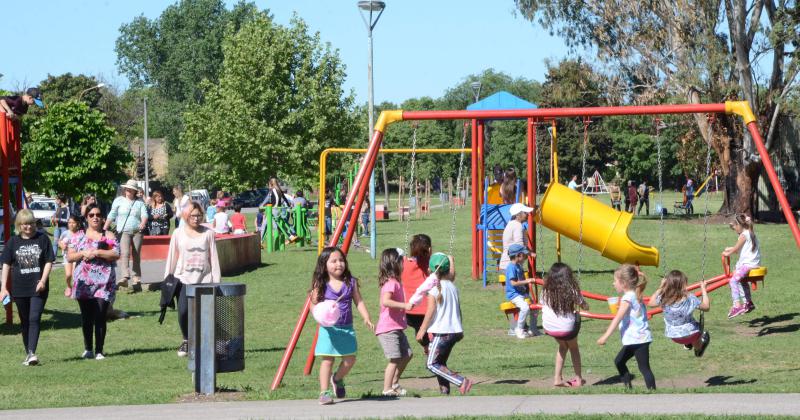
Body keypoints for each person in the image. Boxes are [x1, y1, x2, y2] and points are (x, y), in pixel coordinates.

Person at [310, 247, 374, 405]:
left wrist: (366, 317)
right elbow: (313, 304)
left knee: (350, 359)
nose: (339, 264)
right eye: (333, 261)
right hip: (328, 329)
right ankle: (324, 393)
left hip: (346, 327)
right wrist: (320, 314)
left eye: (341, 260)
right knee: (327, 360)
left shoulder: (350, 282)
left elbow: (358, 301)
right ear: (324, 265)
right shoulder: (321, 283)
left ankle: (337, 379)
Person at [164, 202, 221, 357]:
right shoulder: (178, 233)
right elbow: (172, 256)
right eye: (193, 215)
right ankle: (186, 340)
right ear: (186, 216)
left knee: (205, 314)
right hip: (183, 279)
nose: (196, 219)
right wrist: (167, 280)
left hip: (204, 280)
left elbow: (213, 258)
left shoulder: (208, 233)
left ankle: (206, 343)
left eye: (198, 215)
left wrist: (216, 280)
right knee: (183, 311)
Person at [0, 209, 55, 365]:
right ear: (19, 225)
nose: (28, 227)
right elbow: (6, 264)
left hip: (38, 287)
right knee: (25, 321)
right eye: (24, 224)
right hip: (19, 288)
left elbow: (49, 261)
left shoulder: (43, 239)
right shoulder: (13, 242)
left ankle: (32, 352)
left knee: (34, 318)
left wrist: (43, 281)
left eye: (30, 223)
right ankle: (28, 354)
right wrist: (4, 287)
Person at [67, 204, 119, 360]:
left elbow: (116, 254)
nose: (95, 217)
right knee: (87, 317)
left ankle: (99, 351)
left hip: (104, 282)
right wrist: (83, 252)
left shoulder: (109, 235)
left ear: (102, 217)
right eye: (91, 215)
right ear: (86, 218)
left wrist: (97, 252)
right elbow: (70, 257)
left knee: (101, 314)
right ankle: (88, 348)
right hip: (84, 282)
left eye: (98, 214)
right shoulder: (78, 237)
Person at [416, 253, 473, 395]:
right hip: (454, 332)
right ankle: (445, 391)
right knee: (440, 363)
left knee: (431, 364)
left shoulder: (434, 290)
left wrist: (422, 330)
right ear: (448, 270)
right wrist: (452, 260)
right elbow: (458, 308)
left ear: (430, 271)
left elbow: (430, 312)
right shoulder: (453, 287)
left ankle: (461, 381)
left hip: (442, 332)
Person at [597, 264, 656, 390]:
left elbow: (617, 318)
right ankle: (628, 389)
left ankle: (653, 394)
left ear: (623, 283)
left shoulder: (628, 297)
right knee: (619, 361)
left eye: (615, 281)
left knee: (644, 368)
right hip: (637, 339)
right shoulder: (635, 294)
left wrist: (605, 336)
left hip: (638, 339)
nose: (613, 284)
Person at [541, 262, 589, 387]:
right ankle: (578, 379)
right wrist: (585, 305)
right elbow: (584, 305)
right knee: (573, 348)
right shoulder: (571, 290)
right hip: (567, 328)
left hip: (549, 327)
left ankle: (557, 378)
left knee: (563, 347)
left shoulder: (545, 290)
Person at [375, 248, 413, 397]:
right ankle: (387, 389)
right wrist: (405, 306)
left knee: (407, 354)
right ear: (394, 264)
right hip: (388, 329)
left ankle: (395, 383)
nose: (404, 264)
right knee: (395, 359)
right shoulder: (391, 283)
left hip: (396, 328)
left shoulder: (396, 282)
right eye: (402, 261)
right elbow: (385, 301)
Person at [646, 270, 711, 356]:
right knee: (696, 330)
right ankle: (698, 349)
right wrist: (703, 289)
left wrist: (661, 287)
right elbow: (706, 307)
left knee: (688, 328)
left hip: (674, 336)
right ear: (683, 284)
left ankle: (688, 344)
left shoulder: (664, 297)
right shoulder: (689, 298)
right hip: (691, 335)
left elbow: (650, 303)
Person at [105, 179, 148, 293]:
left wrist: (143, 223)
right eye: (127, 189)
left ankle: (136, 278)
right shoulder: (118, 200)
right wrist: (104, 228)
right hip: (123, 231)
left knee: (136, 254)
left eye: (131, 190)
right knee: (124, 253)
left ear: (134, 191)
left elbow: (144, 214)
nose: (128, 191)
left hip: (137, 231)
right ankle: (125, 276)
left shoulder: (139, 203)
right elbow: (112, 214)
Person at [722, 214, 761, 318]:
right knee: (741, 280)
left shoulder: (743, 235)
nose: (734, 230)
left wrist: (727, 253)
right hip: (753, 264)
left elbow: (736, 249)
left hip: (748, 265)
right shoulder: (750, 233)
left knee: (733, 281)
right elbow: (737, 249)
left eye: (734, 227)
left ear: (739, 225)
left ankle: (737, 305)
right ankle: (748, 303)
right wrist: (730, 249)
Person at [402, 234, 433, 354]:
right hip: (427, 311)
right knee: (431, 332)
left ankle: (426, 348)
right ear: (429, 249)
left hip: (409, 311)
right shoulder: (432, 264)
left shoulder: (403, 263)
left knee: (420, 329)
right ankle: (433, 357)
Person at [504, 243, 540, 338]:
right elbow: (513, 283)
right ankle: (519, 329)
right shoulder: (511, 267)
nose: (525, 257)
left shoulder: (518, 266)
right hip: (514, 295)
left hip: (522, 293)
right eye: (524, 255)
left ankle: (533, 329)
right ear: (517, 255)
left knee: (535, 308)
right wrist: (527, 281)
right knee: (525, 308)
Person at [499, 203, 535, 271]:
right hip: (511, 265)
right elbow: (519, 245)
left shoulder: (511, 224)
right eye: (525, 212)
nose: (527, 214)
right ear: (518, 215)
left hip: (506, 264)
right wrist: (530, 253)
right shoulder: (517, 226)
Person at [60, 215, 83, 298]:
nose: (71, 224)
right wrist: (62, 245)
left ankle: (75, 290)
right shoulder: (65, 233)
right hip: (67, 256)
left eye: (73, 223)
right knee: (68, 275)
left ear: (78, 224)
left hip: (77, 257)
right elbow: (59, 241)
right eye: (69, 222)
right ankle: (69, 286)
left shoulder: (81, 233)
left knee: (74, 274)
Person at [51, 194, 71, 259]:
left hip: (64, 228)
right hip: (57, 227)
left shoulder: (66, 208)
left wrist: (59, 219)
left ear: (60, 200)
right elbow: (56, 216)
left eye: (56, 199)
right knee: (55, 242)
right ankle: (53, 257)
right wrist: (53, 218)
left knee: (65, 242)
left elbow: (68, 220)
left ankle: (66, 256)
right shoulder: (58, 208)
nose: (56, 201)